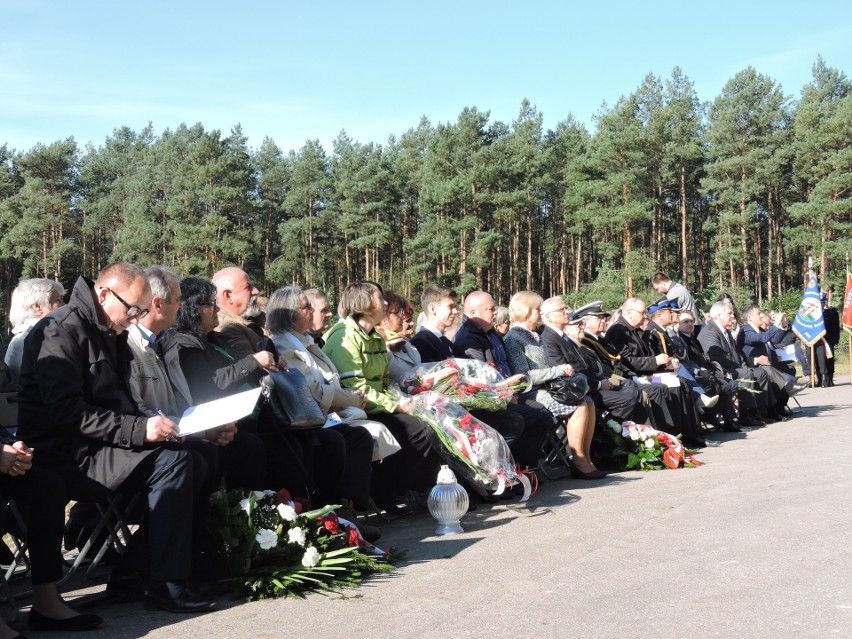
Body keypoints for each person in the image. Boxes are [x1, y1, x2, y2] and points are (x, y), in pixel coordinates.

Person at [17, 262, 215, 613]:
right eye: (133, 309)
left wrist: (158, 424)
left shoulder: (110, 328)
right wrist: (140, 430)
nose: (135, 317)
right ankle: (164, 582)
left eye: (140, 309)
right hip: (65, 454)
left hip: (101, 445)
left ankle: (134, 570)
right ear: (104, 293)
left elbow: (122, 401)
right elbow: (67, 413)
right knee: (175, 461)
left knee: (199, 454)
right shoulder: (60, 330)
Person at [127, 266, 266, 492]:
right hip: (153, 436)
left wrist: (206, 430)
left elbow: (182, 400)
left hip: (182, 428)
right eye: (178, 300)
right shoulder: (174, 343)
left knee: (262, 440)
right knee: (209, 454)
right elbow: (208, 384)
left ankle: (261, 517)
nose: (181, 306)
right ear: (157, 304)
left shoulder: (169, 343)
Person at [264, 285, 381, 526]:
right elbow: (310, 389)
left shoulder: (307, 340)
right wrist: (349, 398)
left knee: (357, 436)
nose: (310, 311)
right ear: (287, 314)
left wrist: (348, 396)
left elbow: (329, 379)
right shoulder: (284, 344)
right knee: (347, 439)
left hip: (326, 413)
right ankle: (335, 511)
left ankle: (347, 510)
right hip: (303, 419)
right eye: (305, 306)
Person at [322, 281, 440, 510]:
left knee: (428, 423)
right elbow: (356, 387)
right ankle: (387, 490)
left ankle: (397, 489)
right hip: (355, 408)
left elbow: (384, 382)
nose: (385, 303)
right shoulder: (344, 336)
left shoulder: (374, 337)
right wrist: (397, 406)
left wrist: (403, 400)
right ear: (363, 304)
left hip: (377, 404)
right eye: (379, 298)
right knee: (417, 430)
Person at [502, 291, 603, 479]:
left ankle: (586, 458)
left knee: (588, 401)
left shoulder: (535, 335)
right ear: (526, 311)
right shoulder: (514, 339)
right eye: (537, 309)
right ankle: (577, 459)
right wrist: (559, 370)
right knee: (578, 406)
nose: (541, 314)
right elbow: (524, 377)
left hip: (550, 388)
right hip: (532, 393)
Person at [605, 298, 707, 448]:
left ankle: (689, 433)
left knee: (681, 382)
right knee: (664, 388)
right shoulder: (618, 330)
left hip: (648, 374)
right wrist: (656, 361)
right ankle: (668, 436)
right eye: (642, 312)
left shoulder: (635, 329)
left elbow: (646, 356)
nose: (645, 316)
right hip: (635, 377)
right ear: (629, 313)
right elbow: (628, 362)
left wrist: (666, 365)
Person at [540, 298, 650, 426]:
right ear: (548, 317)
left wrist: (621, 378)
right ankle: (615, 436)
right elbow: (567, 373)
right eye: (561, 309)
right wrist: (600, 383)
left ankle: (645, 437)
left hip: (596, 382)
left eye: (566, 308)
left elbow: (597, 367)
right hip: (583, 389)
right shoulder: (554, 339)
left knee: (633, 390)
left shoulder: (571, 340)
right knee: (629, 396)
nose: (567, 312)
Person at [698, 301, 779, 426]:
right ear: (719, 316)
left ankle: (759, 412)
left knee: (761, 373)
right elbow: (718, 360)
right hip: (720, 370)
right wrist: (741, 368)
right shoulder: (709, 332)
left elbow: (737, 355)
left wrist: (746, 364)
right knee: (746, 374)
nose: (733, 316)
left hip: (734, 367)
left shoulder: (725, 331)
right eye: (729, 313)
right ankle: (745, 414)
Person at [737, 304, 806, 415]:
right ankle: (788, 387)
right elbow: (763, 339)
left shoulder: (758, 329)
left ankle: (779, 407)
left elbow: (774, 339)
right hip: (751, 365)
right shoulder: (745, 331)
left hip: (765, 364)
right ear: (750, 318)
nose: (761, 316)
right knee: (768, 370)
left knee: (787, 369)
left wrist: (782, 326)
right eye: (758, 314)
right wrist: (777, 322)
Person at [3, 278, 65, 390]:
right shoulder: (26, 340)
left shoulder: (35, 336)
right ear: (38, 307)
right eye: (58, 301)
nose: (64, 305)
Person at [211, 267, 263, 358]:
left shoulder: (251, 317)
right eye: (248, 287)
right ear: (228, 296)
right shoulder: (227, 328)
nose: (256, 291)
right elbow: (254, 368)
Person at [376, 289, 421, 383]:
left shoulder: (405, 343)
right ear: (383, 315)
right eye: (397, 313)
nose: (402, 317)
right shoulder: (377, 345)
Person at [410, 284, 459, 362]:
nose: (455, 311)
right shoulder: (420, 343)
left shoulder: (446, 342)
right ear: (433, 309)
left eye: (455, 307)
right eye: (450, 306)